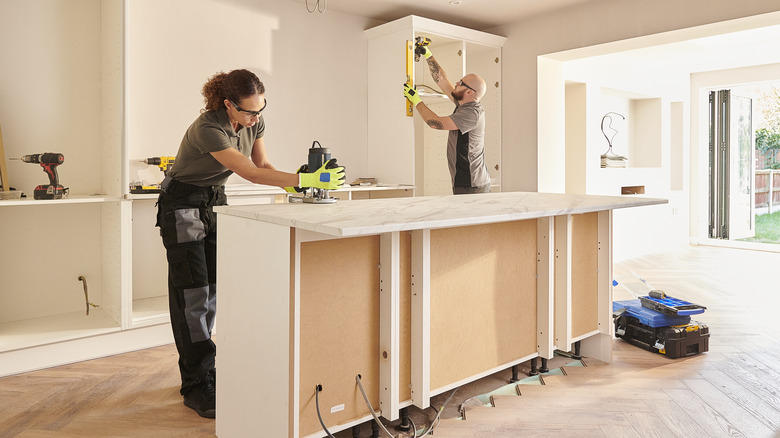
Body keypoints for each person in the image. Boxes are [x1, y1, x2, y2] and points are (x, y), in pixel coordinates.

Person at [155, 68, 344, 419]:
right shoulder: (207, 128)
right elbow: (250, 173)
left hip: (214, 200)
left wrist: (301, 185)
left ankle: (206, 370)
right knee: (191, 294)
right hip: (181, 203)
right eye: (249, 111)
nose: (256, 117)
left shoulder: (255, 123)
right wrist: (305, 178)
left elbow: (264, 164)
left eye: (261, 109)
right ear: (228, 104)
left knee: (211, 290)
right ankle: (195, 385)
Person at [403, 44, 491, 194]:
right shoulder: (463, 103)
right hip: (467, 182)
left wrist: (416, 100)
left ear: (469, 92)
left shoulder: (471, 113)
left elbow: (436, 123)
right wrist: (428, 54)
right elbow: (442, 80)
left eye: (461, 83)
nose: (456, 84)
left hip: (471, 184)